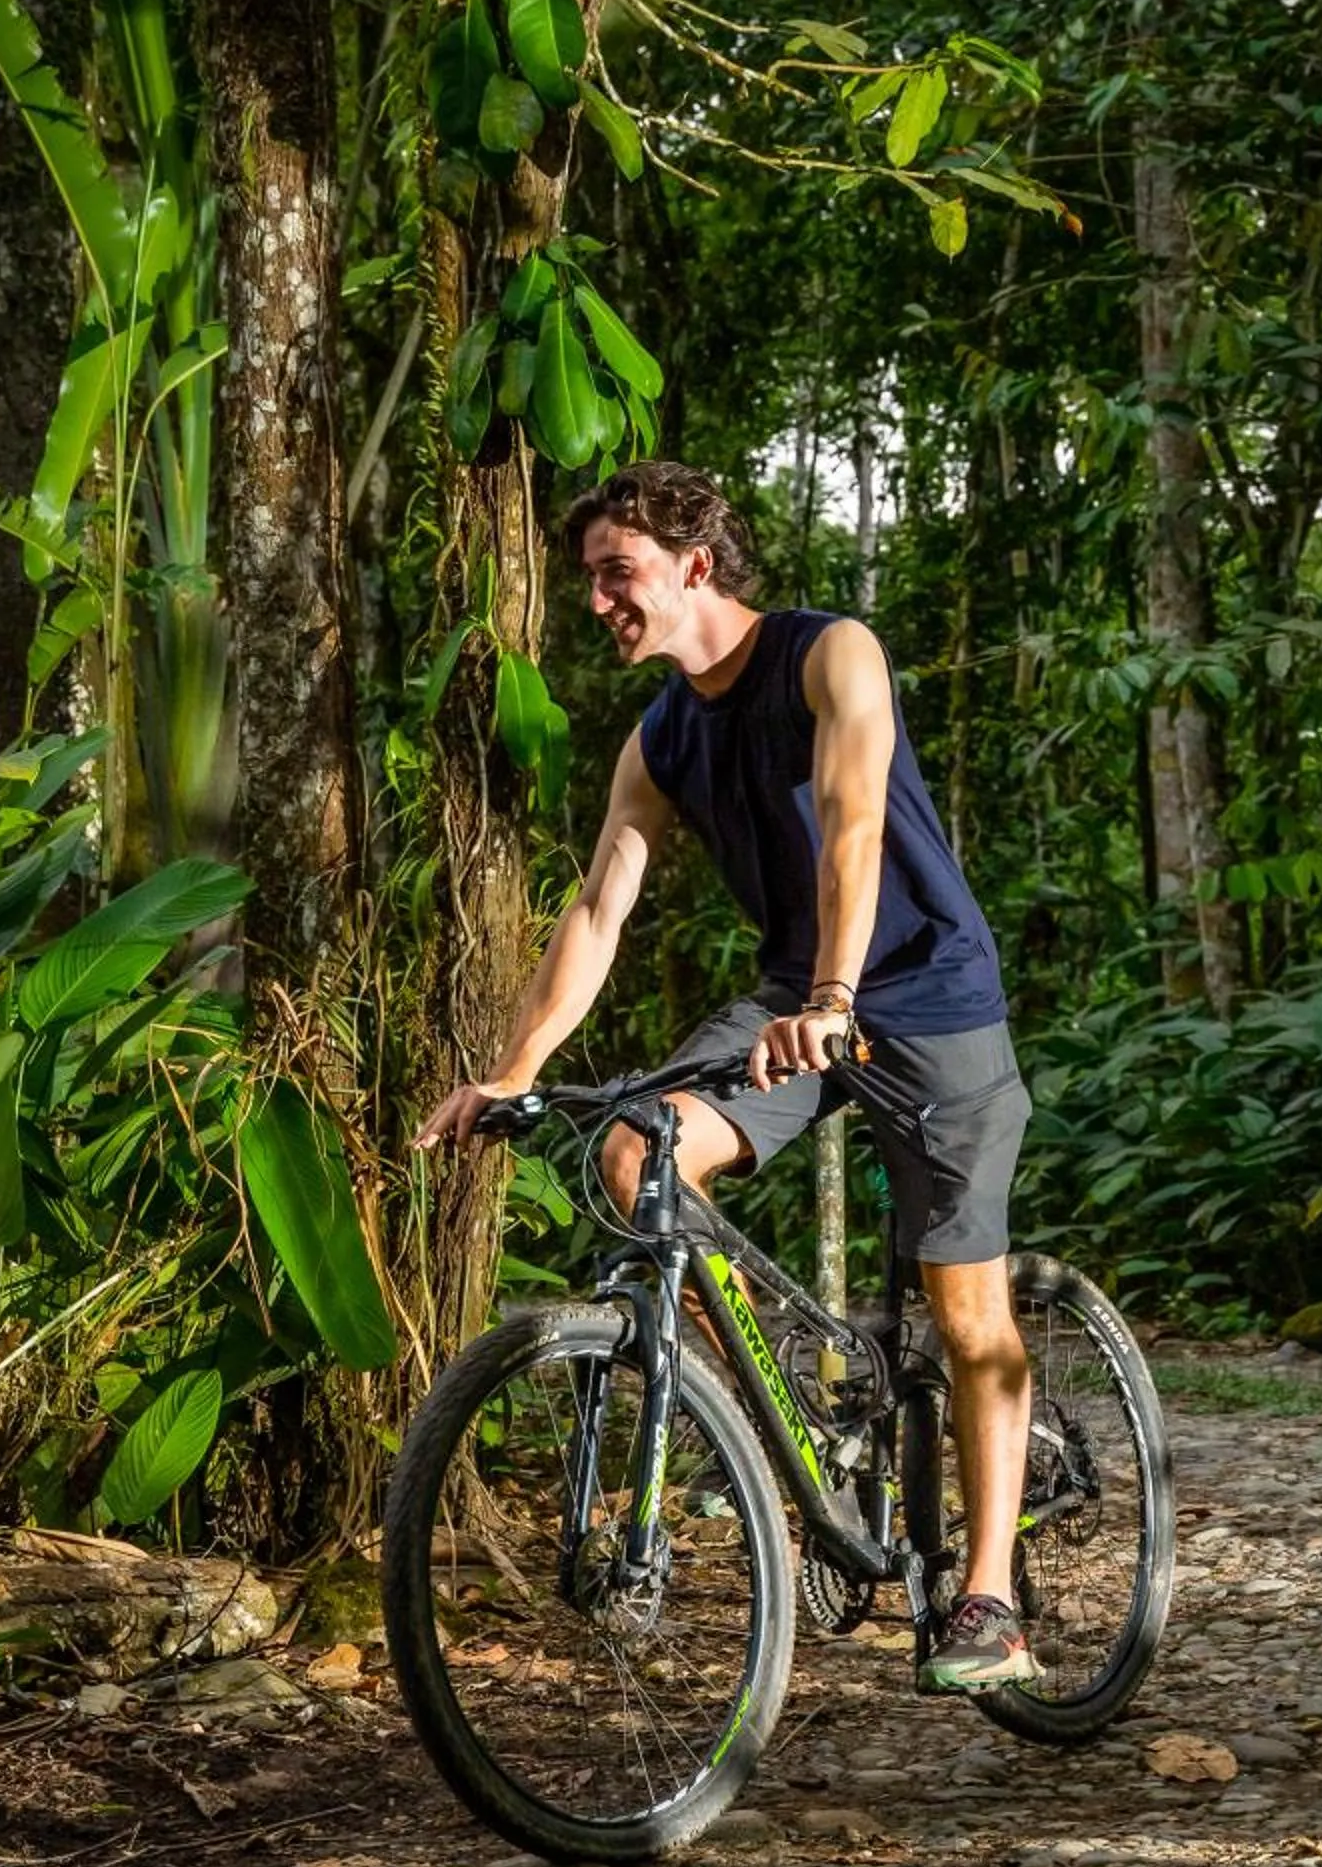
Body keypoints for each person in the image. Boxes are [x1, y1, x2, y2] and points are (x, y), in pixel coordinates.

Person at [413, 460, 1035, 1694]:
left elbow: (852, 826)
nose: (596, 600)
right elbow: (598, 907)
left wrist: (832, 997)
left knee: (967, 1315)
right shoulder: (660, 737)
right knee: (632, 1148)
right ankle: (768, 1424)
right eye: (588, 577)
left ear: (694, 563)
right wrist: (512, 1071)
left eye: (616, 572)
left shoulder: (829, 656)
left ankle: (989, 1597)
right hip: (793, 1004)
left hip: (917, 996)